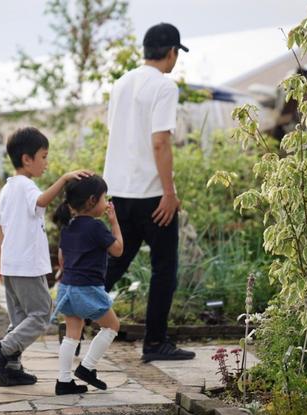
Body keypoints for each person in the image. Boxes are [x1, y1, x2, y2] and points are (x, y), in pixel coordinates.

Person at [102, 23, 195, 362]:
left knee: (113, 265)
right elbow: (160, 141)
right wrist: (168, 192)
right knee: (164, 269)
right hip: (152, 197)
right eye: (175, 54)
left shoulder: (120, 84)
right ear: (171, 52)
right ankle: (155, 343)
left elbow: (120, 136)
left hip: (118, 192)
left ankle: (72, 318)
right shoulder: (164, 87)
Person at [0, 126, 91, 386]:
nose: (46, 162)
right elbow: (42, 200)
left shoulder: (8, 189)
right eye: (43, 156)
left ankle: (11, 366)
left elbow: (1, 228)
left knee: (21, 320)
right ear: (26, 159)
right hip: (27, 266)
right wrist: (64, 179)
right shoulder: (26, 186)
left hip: (11, 265)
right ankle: (0, 351)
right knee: (42, 314)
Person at [51, 175, 123, 395]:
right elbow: (118, 249)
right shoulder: (96, 227)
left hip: (67, 288)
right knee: (112, 326)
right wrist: (114, 222)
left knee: (72, 333)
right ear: (92, 201)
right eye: (104, 198)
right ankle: (87, 367)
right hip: (88, 288)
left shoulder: (68, 227)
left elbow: (62, 260)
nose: (106, 202)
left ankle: (63, 381)